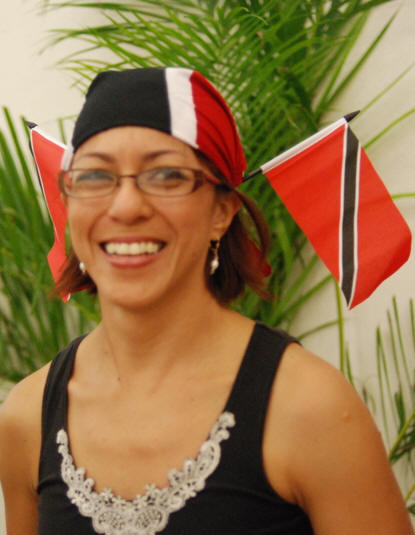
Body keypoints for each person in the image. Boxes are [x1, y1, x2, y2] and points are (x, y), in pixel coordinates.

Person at [0, 67, 412, 535]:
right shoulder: (27, 417)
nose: (126, 206)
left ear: (221, 211)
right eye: (95, 175)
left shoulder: (308, 407)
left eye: (167, 176)